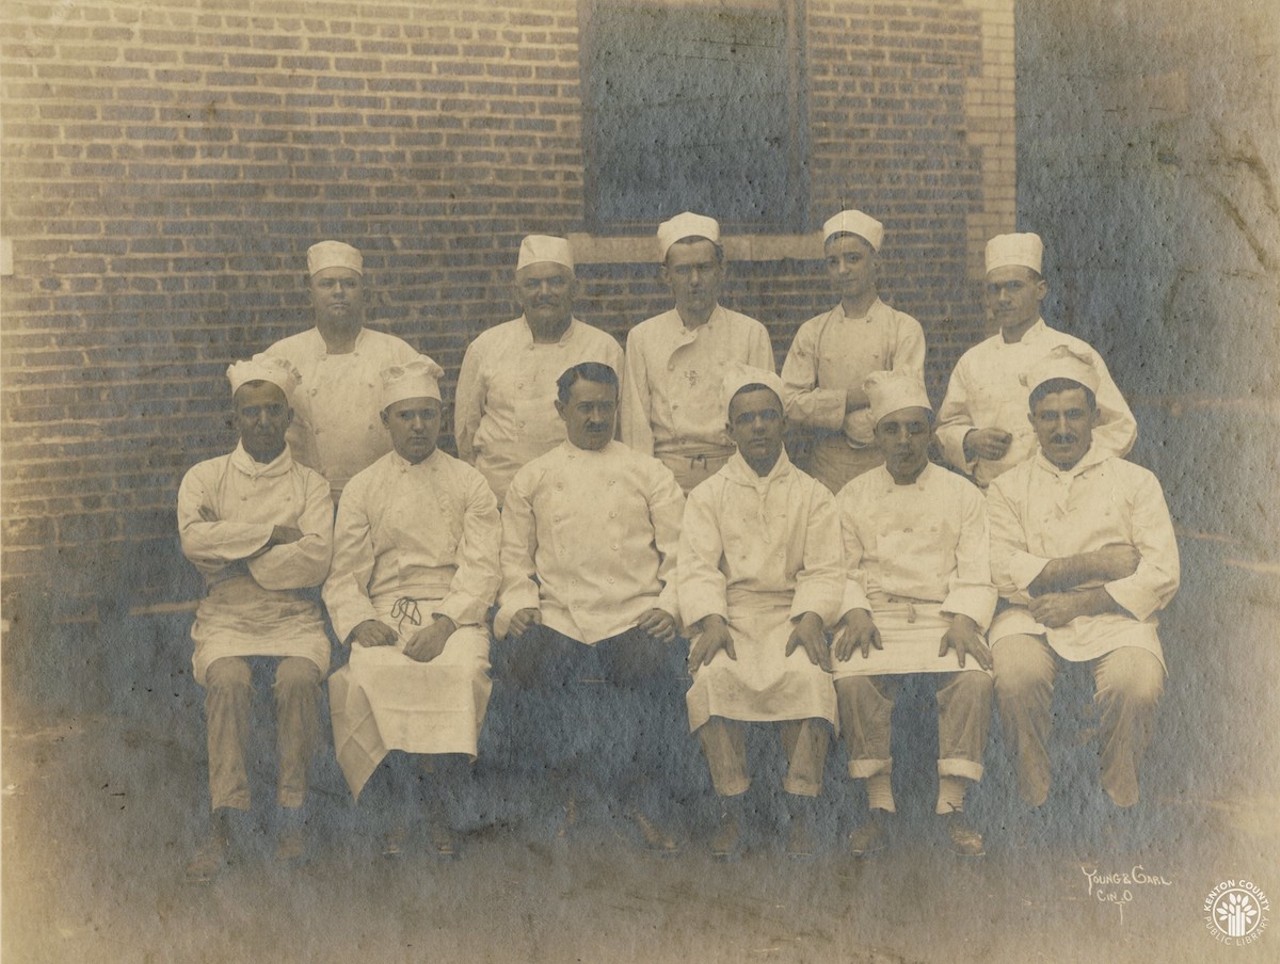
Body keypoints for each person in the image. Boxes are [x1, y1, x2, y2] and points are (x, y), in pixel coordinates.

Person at [494, 362, 687, 852]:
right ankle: (562, 799)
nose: (597, 418)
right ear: (561, 410)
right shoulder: (533, 478)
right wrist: (519, 603)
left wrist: (670, 605)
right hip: (560, 615)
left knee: (656, 668)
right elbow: (514, 560)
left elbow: (682, 553)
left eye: (606, 406)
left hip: (633, 612)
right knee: (525, 666)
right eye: (585, 407)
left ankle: (643, 801)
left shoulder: (649, 472)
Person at [986, 346, 1179, 831]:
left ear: (1095, 415)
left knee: (1135, 682)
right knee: (1015, 676)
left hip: (1116, 617)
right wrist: (1095, 564)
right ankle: (1035, 798)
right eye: (1049, 417)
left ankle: (1119, 799)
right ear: (1032, 421)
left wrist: (1082, 601)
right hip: (1032, 614)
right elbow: (1000, 567)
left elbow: (1161, 572)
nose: (1063, 428)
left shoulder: (1136, 482)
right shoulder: (1008, 488)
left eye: (1074, 414)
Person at [323, 356, 501, 857]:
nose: (418, 426)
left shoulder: (470, 482)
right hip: (387, 611)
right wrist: (361, 622)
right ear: (386, 422)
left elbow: (483, 565)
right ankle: (399, 806)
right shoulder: (362, 487)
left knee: (460, 673)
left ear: (441, 418)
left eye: (428, 414)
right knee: (371, 675)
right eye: (406, 415)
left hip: (454, 610)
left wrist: (446, 623)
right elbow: (346, 573)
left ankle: (440, 807)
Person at [177, 355, 334, 881]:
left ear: (288, 417)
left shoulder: (311, 484)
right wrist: (271, 535)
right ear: (234, 419)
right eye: (251, 412)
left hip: (294, 614)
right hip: (226, 613)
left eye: (273, 411)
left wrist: (236, 553)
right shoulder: (205, 476)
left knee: (296, 679)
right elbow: (193, 541)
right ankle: (227, 816)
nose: (263, 422)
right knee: (228, 679)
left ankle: (293, 810)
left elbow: (316, 559)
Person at [679, 366, 843, 858]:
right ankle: (736, 807)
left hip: (792, 617)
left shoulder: (813, 494)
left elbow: (825, 568)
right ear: (728, 431)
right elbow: (697, 566)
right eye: (746, 419)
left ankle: (800, 810)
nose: (758, 428)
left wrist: (812, 617)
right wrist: (711, 619)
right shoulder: (707, 496)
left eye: (768, 416)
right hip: (729, 617)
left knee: (809, 679)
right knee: (714, 678)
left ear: (783, 425)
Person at [831, 371, 996, 858]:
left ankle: (953, 805)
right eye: (892, 430)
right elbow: (838, 566)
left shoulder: (963, 494)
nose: (904, 441)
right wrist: (855, 609)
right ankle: (879, 803)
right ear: (877, 436)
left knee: (973, 677)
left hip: (943, 617)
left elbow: (977, 566)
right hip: (877, 616)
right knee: (853, 677)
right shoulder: (852, 496)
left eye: (915, 429)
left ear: (929, 433)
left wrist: (965, 618)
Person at [936, 232, 1137, 488]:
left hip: (1061, 493)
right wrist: (969, 439)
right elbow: (947, 426)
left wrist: (1073, 463)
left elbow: (1121, 426)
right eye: (994, 289)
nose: (1003, 298)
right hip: (993, 496)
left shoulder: (1074, 352)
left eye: (1014, 286)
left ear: (1040, 289)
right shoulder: (972, 361)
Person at [455, 235, 624, 505]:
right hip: (503, 498)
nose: (544, 292)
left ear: (574, 288)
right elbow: (466, 432)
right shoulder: (486, 347)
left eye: (556, 282)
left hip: (580, 496)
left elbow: (617, 430)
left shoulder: (603, 347)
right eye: (532, 284)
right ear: (517, 292)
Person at [621, 212, 776, 492]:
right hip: (667, 483)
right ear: (666, 275)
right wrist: (648, 494)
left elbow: (763, 423)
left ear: (721, 269)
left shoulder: (751, 333)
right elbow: (637, 432)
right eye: (683, 270)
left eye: (704, 268)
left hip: (734, 480)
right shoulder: (642, 338)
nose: (694, 280)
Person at [781, 209, 927, 494]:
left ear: (876, 263)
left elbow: (904, 402)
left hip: (886, 468)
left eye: (853, 258)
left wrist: (846, 421)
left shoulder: (904, 328)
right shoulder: (812, 332)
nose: (843, 270)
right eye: (833, 262)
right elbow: (789, 402)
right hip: (827, 471)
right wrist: (851, 399)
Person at [264, 240, 418, 501]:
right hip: (306, 499)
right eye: (327, 284)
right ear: (309, 294)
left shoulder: (397, 353)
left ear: (363, 293)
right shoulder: (281, 356)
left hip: (382, 496)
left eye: (349, 283)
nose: (339, 291)